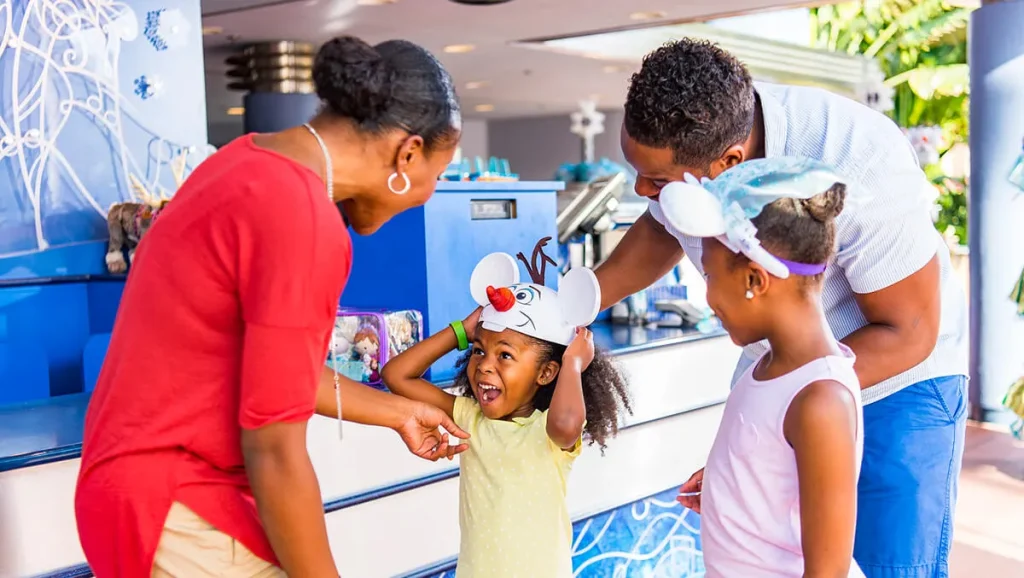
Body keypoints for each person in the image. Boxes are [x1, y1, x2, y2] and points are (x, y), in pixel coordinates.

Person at [76, 36, 466, 578]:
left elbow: (275, 374)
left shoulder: (249, 160)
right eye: (439, 174)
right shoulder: (303, 217)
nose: (430, 190)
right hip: (179, 504)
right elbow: (275, 451)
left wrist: (398, 412)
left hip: (126, 492)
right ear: (408, 154)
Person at [598, 39, 968, 578]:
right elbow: (660, 225)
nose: (642, 189)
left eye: (656, 181)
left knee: (891, 565)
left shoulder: (857, 157)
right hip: (795, 376)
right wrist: (574, 302)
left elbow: (908, 331)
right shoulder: (698, 143)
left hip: (901, 379)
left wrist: (786, 427)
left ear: (728, 163)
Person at [382, 240, 632, 578]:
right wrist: (461, 331)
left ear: (546, 373)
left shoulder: (547, 433)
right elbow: (396, 374)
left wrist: (573, 363)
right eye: (479, 350)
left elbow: (567, 421)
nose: (484, 366)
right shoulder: (470, 417)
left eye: (505, 355)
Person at [666, 158, 864, 577]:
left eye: (709, 276)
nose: (708, 297)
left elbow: (828, 572)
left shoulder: (821, 400)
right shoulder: (769, 367)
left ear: (755, 280)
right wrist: (731, 488)